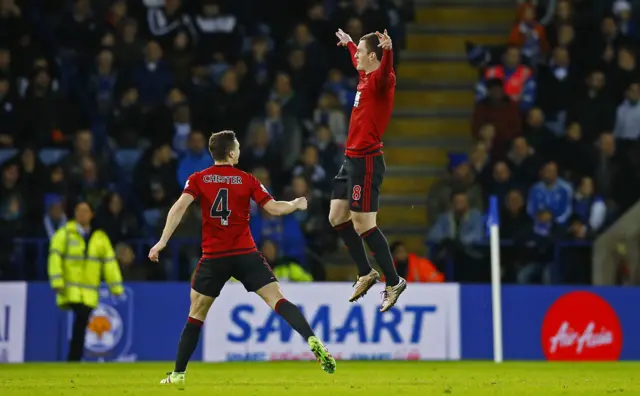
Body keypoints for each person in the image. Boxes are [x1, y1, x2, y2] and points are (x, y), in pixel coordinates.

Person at [148, 130, 336, 388]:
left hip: (214, 257)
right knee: (277, 298)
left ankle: (178, 373)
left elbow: (179, 207)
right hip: (245, 254)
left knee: (196, 313)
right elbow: (273, 208)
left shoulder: (198, 179)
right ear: (232, 153)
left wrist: (162, 241)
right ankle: (311, 338)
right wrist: (295, 204)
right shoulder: (247, 180)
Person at [330, 28, 406, 311]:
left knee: (364, 225)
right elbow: (359, 59)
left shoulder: (382, 80)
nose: (356, 57)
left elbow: (385, 71)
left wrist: (389, 52)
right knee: (337, 217)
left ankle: (394, 281)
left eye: (361, 53)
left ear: (373, 56)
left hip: (367, 161)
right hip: (350, 160)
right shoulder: (364, 76)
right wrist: (350, 43)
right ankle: (366, 272)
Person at [47, 201, 123, 361]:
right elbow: (54, 257)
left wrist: (115, 286)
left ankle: (74, 357)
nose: (82, 214)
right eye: (79, 211)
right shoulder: (65, 233)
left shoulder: (99, 238)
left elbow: (109, 263)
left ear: (91, 214)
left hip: (89, 291)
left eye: (85, 211)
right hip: (71, 288)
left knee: (81, 322)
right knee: (80, 318)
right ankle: (74, 357)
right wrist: (57, 281)